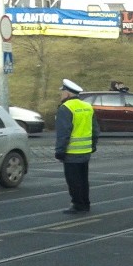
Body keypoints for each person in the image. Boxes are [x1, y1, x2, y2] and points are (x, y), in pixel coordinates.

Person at [55, 79, 100, 214]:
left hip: (71, 152)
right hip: (86, 151)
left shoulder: (66, 108)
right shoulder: (87, 106)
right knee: (83, 179)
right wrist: (93, 145)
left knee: (73, 180)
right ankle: (85, 203)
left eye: (62, 92)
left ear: (68, 93)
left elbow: (64, 132)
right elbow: (95, 130)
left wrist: (60, 151)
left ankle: (78, 204)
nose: (61, 95)